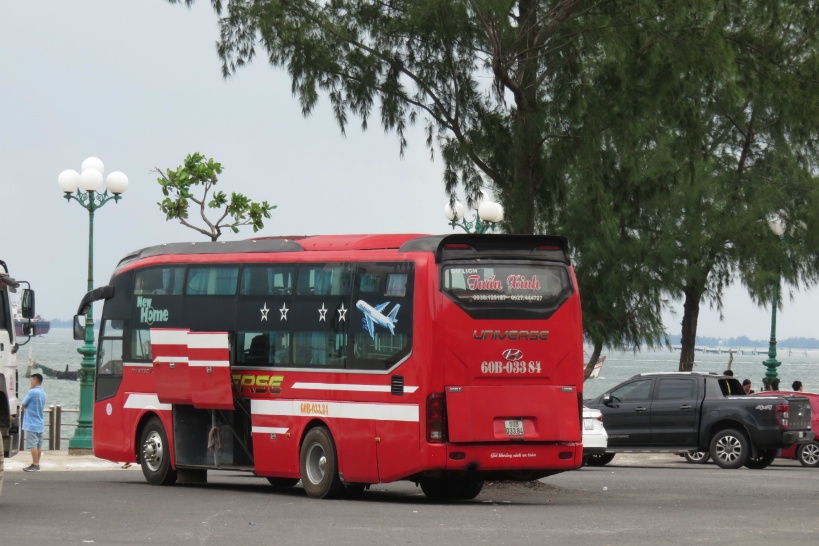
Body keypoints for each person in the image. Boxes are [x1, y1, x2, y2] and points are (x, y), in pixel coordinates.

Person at [21, 373, 46, 472]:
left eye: (31, 380)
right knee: (38, 445)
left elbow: (23, 404)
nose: (30, 383)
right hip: (40, 422)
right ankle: (37, 464)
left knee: (33, 445)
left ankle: (35, 464)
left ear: (36, 381)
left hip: (31, 423)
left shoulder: (31, 392)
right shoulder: (43, 393)